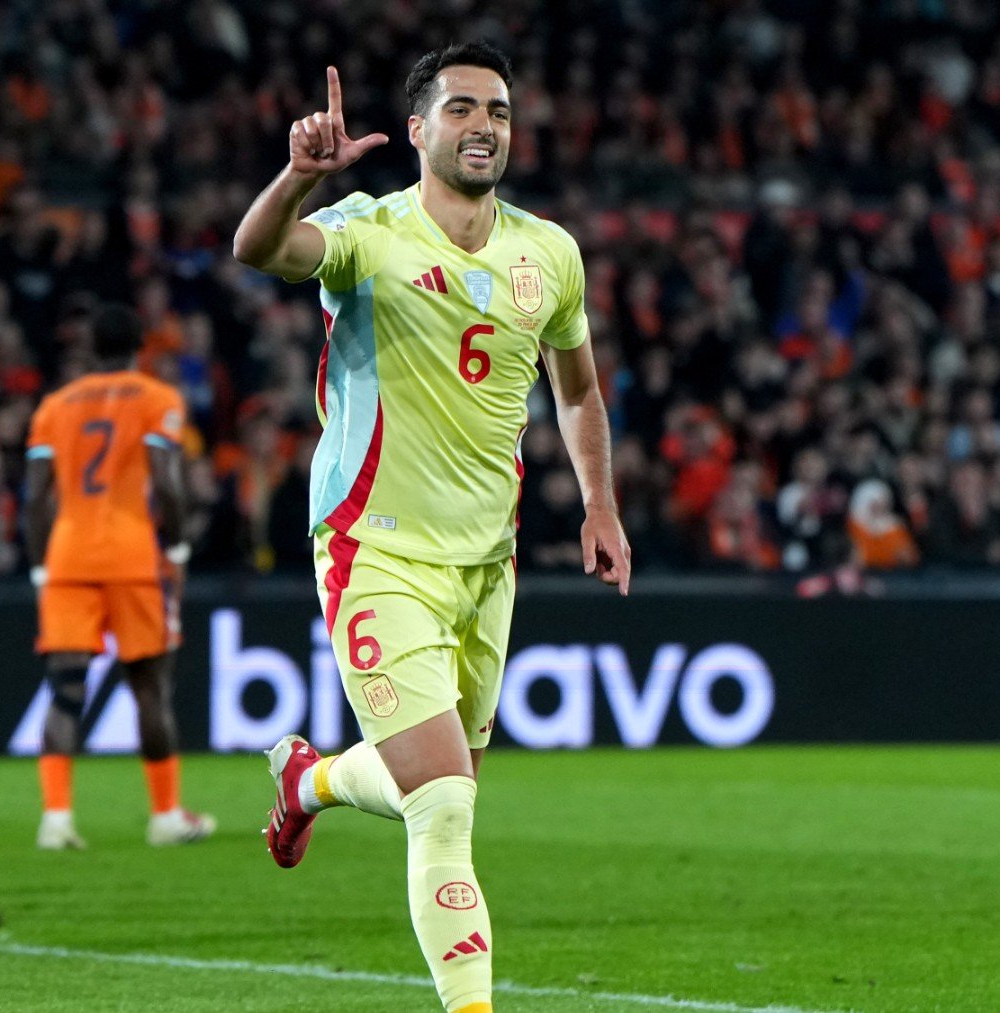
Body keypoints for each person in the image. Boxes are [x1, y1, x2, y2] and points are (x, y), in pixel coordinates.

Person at [231, 44, 630, 1013]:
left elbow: (577, 390)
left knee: (438, 786)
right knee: (445, 806)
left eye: (496, 108)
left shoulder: (550, 253)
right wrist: (297, 177)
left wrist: (601, 502)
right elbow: (259, 251)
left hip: (486, 564)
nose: (482, 124)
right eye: (459, 108)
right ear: (418, 130)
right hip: (376, 548)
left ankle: (310, 777)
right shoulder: (369, 230)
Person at [22, 303, 214, 851]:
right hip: (132, 557)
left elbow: (35, 495)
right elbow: (167, 481)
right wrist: (175, 543)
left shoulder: (55, 406)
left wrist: (40, 564)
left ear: (90, 346)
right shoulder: (159, 400)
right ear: (140, 346)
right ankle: (165, 816)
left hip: (68, 556)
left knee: (64, 693)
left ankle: (56, 820)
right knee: (150, 689)